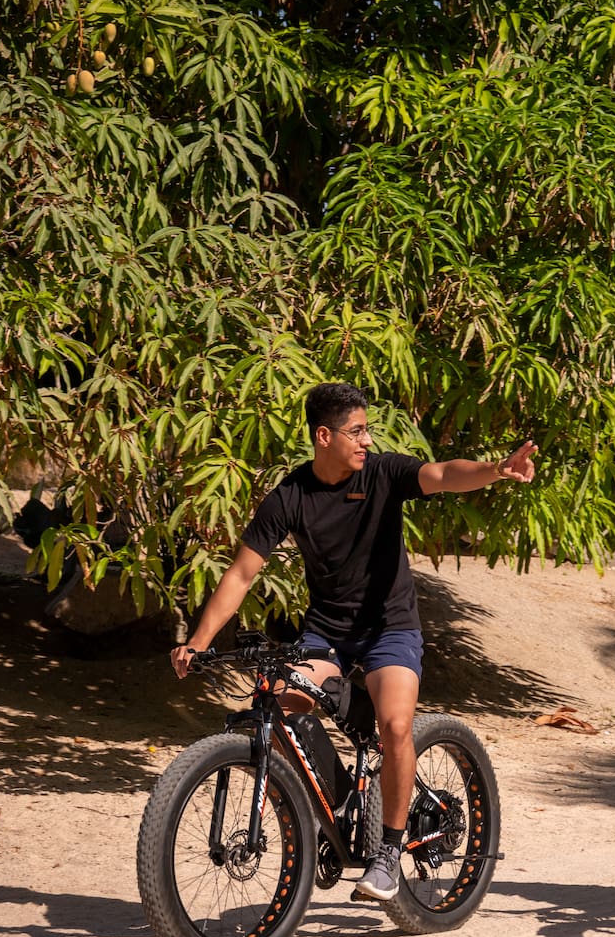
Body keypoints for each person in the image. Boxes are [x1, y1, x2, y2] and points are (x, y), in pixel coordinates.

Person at [171, 381, 535, 903]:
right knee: (278, 701)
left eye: (367, 431)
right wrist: (199, 640)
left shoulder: (383, 473)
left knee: (394, 724)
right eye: (356, 431)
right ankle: (333, 808)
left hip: (390, 628)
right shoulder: (290, 497)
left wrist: (495, 470)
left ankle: (387, 852)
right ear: (324, 436)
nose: (366, 440)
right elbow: (242, 573)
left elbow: (442, 475)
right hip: (327, 633)